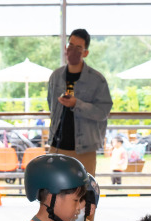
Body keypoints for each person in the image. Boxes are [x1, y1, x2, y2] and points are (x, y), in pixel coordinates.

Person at [47, 28, 112, 176]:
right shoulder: (56, 77)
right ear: (65, 48)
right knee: (54, 187)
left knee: (84, 188)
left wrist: (77, 104)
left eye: (78, 48)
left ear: (85, 53)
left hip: (85, 150)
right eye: (70, 45)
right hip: (57, 146)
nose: (72, 51)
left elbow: (102, 112)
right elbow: (51, 105)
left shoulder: (97, 80)